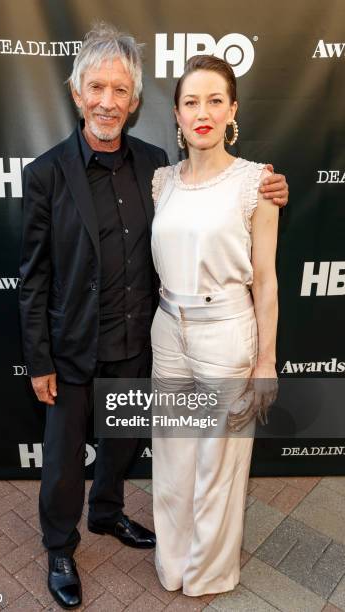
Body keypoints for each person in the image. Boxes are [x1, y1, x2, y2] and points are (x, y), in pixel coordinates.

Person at [19, 23, 288, 609]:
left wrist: (270, 190)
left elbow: (211, 215)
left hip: (143, 340)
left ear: (135, 100)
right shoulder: (45, 174)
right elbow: (34, 276)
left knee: (120, 444)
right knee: (65, 455)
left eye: (120, 90)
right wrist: (38, 357)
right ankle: (60, 546)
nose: (108, 102)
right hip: (70, 345)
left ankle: (108, 514)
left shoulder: (156, 166)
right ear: (77, 93)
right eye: (97, 88)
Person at [150, 54, 280, 596]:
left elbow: (267, 282)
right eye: (190, 102)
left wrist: (267, 361)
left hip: (227, 333)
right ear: (177, 116)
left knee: (220, 465)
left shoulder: (257, 183)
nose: (201, 112)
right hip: (167, 330)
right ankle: (173, 564)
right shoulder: (161, 181)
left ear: (233, 111)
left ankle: (208, 573)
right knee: (174, 459)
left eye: (214, 100)